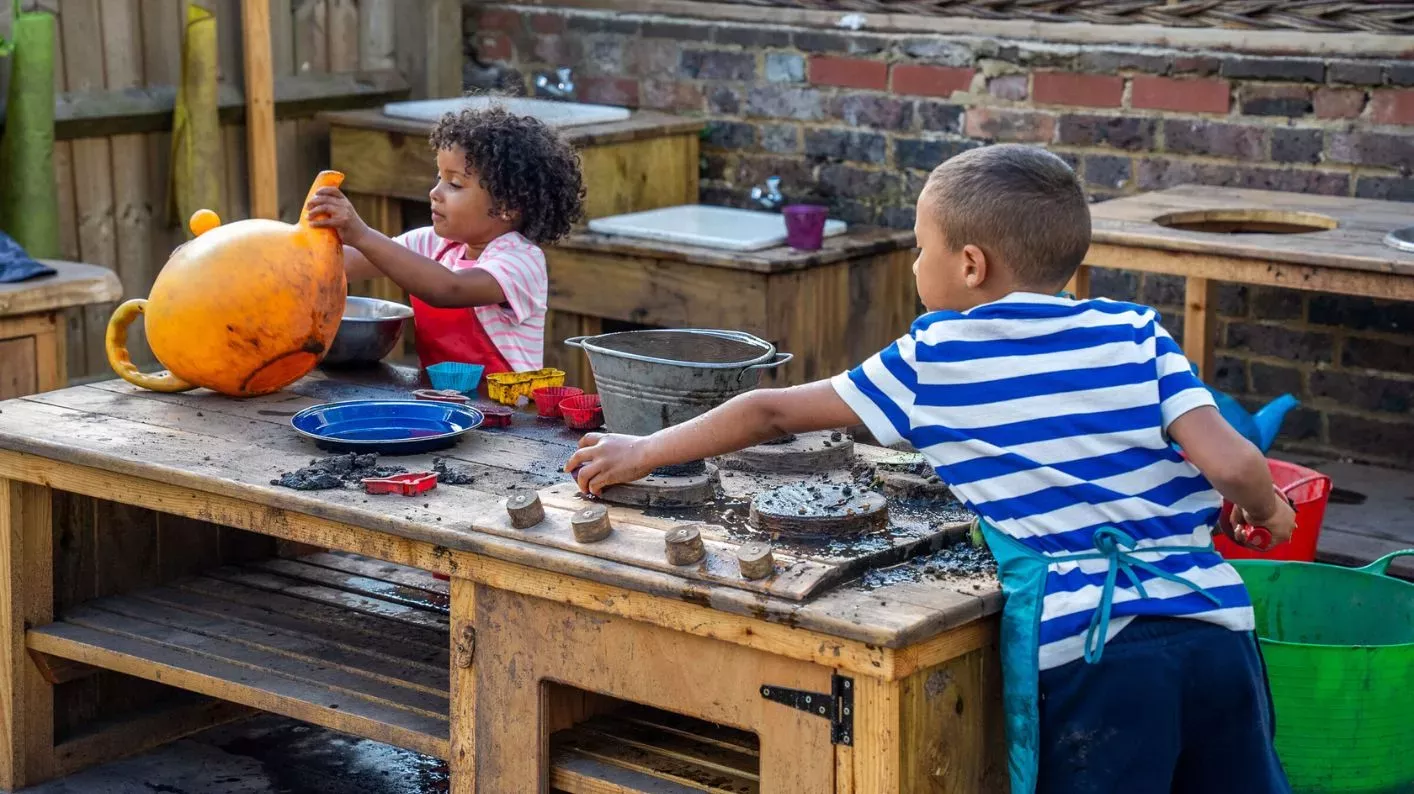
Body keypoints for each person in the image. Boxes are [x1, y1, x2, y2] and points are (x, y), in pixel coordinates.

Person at [566, 144, 1296, 794]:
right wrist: (1268, 512)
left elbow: (771, 412)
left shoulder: (935, 356)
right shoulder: (1134, 329)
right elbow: (1233, 463)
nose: (916, 265)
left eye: (921, 248)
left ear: (970, 264)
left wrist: (641, 449)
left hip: (1093, 650)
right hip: (1215, 623)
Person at [306, 106, 585, 374]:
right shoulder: (432, 244)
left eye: (454, 184)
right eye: (439, 178)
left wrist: (362, 234)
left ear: (507, 206)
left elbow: (448, 289)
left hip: (510, 415)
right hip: (442, 404)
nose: (434, 192)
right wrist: (299, 248)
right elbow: (342, 264)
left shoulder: (521, 261)